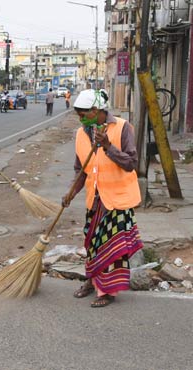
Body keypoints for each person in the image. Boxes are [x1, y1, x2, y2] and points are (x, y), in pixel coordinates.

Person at [62, 89, 143, 308]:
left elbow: (130, 163)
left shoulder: (122, 128)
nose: (81, 119)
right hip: (95, 200)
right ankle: (90, 281)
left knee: (111, 247)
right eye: (78, 115)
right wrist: (71, 192)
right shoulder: (81, 134)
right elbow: (81, 170)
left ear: (96, 110)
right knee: (91, 243)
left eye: (84, 115)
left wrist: (108, 146)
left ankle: (106, 291)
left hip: (117, 200)